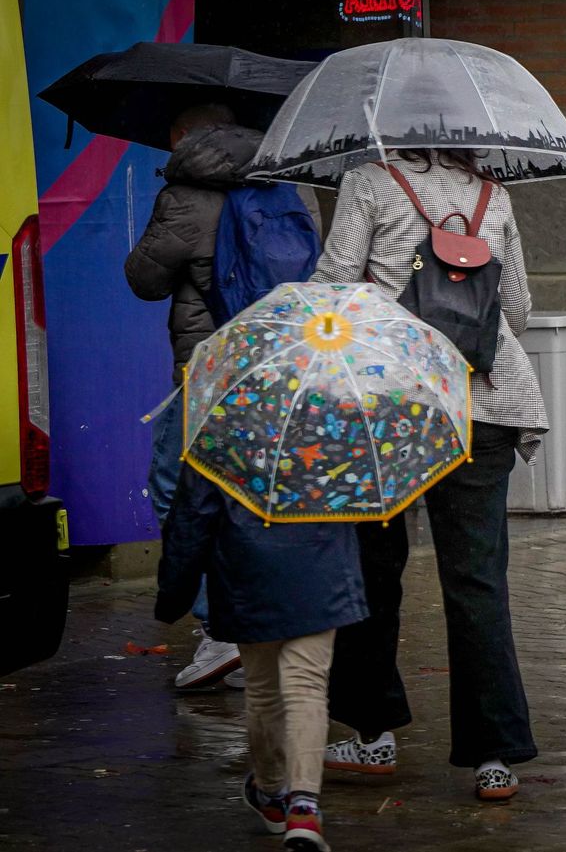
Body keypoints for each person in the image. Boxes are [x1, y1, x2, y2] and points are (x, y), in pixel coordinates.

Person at [311, 148, 545, 801]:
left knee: (373, 569)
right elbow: (517, 309)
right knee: (478, 581)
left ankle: (373, 735)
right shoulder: (492, 195)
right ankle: (494, 757)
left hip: (391, 404)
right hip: (485, 404)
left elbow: (334, 289)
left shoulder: (367, 182)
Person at [155, 463, 367, 852]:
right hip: (321, 567)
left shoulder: (219, 438)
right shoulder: (336, 432)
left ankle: (271, 791)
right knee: (307, 685)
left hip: (247, 570)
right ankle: (304, 807)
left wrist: (172, 595)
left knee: (264, 689)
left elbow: (190, 521)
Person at [125, 104, 259, 690]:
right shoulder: (281, 182)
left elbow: (143, 279)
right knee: (249, 492)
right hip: (272, 364)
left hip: (208, 368)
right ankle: (264, 626)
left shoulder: (184, 193)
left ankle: (222, 628)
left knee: (175, 488)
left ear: (183, 135)